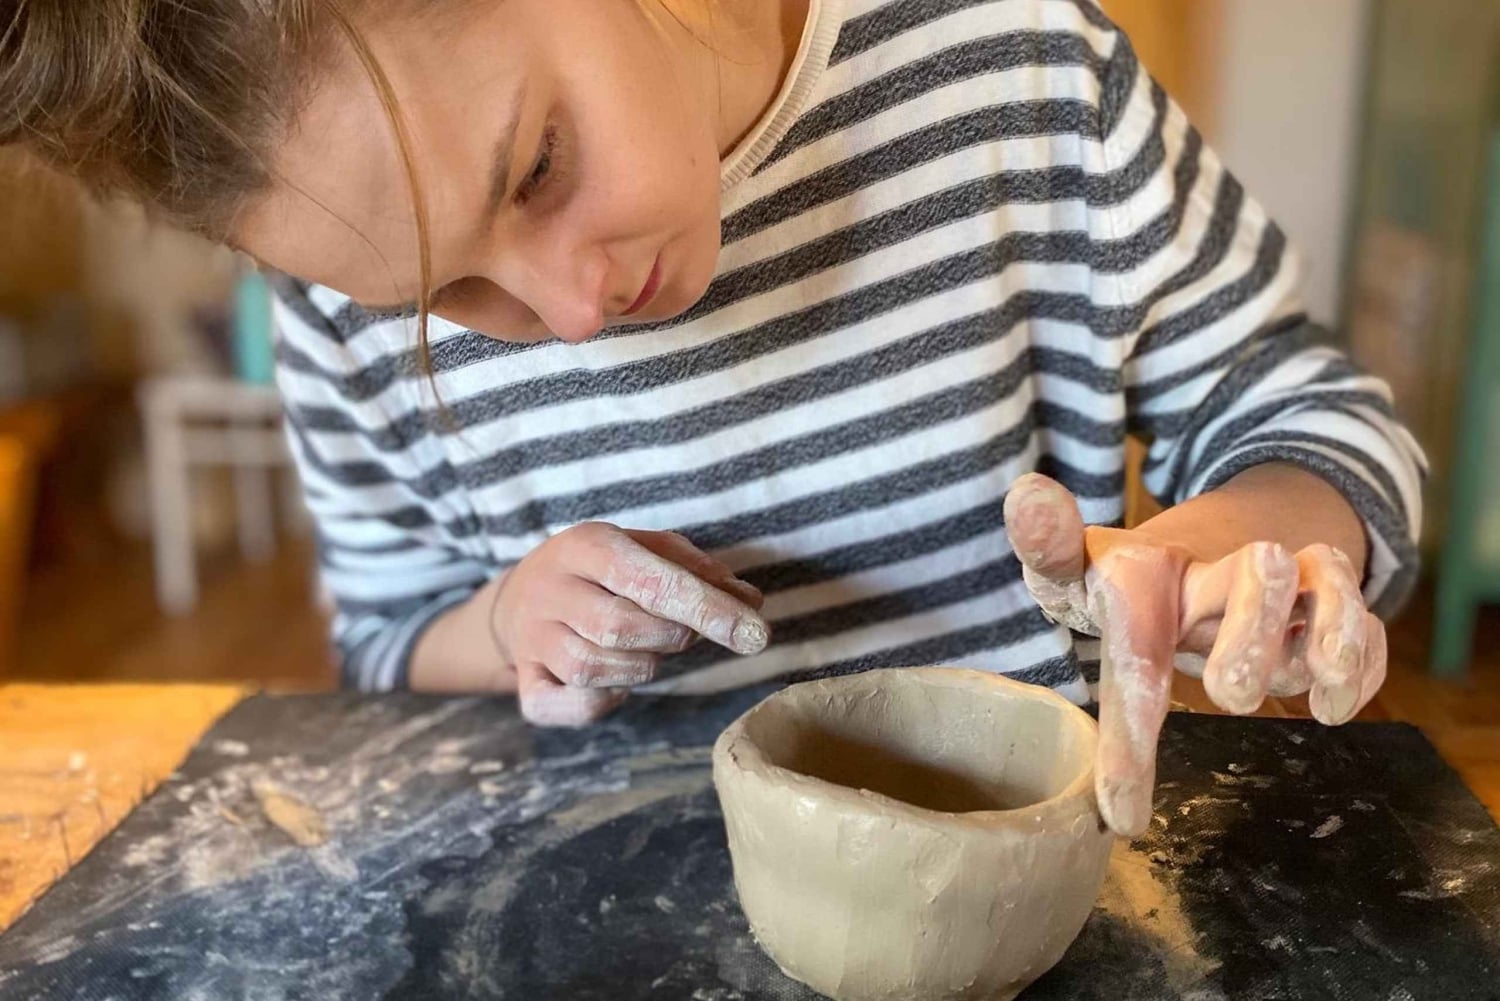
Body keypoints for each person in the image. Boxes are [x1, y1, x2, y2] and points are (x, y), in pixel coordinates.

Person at [0, 0, 1424, 835]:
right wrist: (501, 626)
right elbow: (387, 634)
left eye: (541, 163)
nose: (570, 310)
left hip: (1028, 876)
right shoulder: (336, 310)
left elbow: (1303, 413)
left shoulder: (1019, 71)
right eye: (445, 299)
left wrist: (1252, 545)